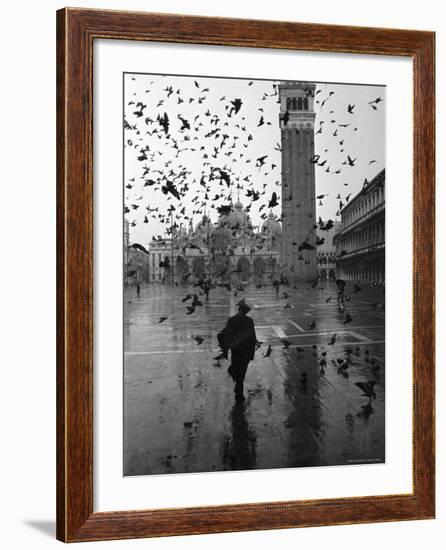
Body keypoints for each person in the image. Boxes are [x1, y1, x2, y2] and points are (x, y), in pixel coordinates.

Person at [217, 300, 257, 402]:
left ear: (239, 309)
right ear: (246, 312)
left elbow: (223, 334)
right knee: (242, 371)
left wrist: (226, 349)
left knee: (236, 368)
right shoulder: (249, 321)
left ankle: (238, 390)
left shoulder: (232, 320)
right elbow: (252, 336)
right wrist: (253, 350)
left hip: (236, 350)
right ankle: (239, 394)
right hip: (246, 351)